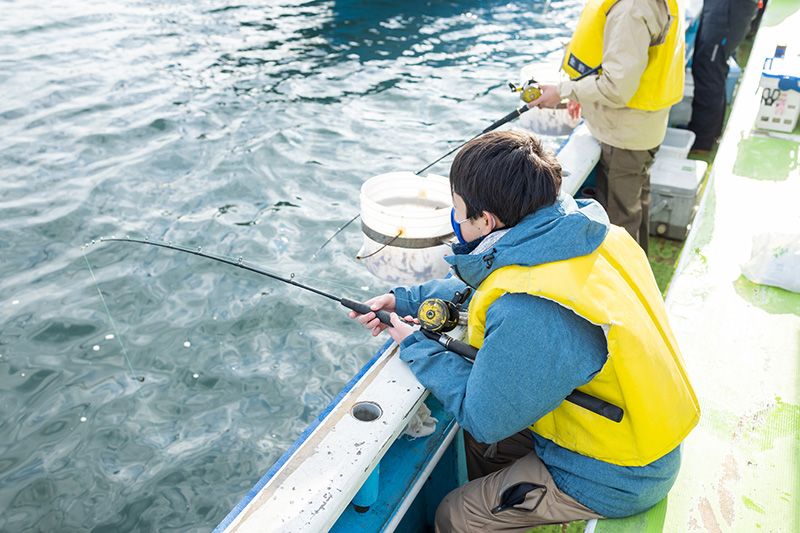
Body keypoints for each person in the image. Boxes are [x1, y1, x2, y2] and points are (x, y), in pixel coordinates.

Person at [350, 130, 700, 531]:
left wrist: (415, 345)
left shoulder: (534, 311)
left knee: (455, 514)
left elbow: (482, 417)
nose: (455, 222)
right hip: (635, 431)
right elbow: (492, 279)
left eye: (459, 213)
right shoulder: (584, 234)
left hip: (617, 473)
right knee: (481, 448)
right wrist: (406, 299)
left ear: (486, 221)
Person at [530, 0, 685, 255]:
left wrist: (563, 91)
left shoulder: (631, 9)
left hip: (625, 135)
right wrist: (582, 94)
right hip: (642, 127)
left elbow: (617, 87)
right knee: (635, 206)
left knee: (620, 221)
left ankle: (628, 288)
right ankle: (639, 276)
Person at [687, 0, 759, 153]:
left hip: (729, 9)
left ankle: (702, 139)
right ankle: (707, 132)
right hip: (724, 7)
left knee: (710, 66)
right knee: (709, 65)